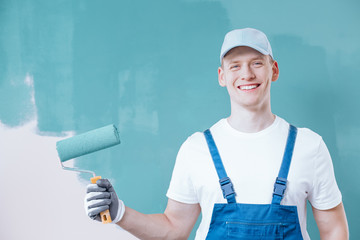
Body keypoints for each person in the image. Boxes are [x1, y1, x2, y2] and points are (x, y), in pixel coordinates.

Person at [84, 28, 349, 239]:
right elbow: (173, 230)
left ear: (274, 70)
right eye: (235, 66)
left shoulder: (309, 146)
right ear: (222, 76)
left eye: (257, 63)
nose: (246, 74)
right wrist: (120, 213)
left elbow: (335, 232)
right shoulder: (196, 148)